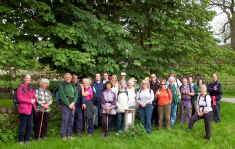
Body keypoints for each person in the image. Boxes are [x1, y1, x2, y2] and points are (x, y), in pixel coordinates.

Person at [17, 74, 37, 144]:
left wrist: (35, 99)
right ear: (24, 79)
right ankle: (21, 140)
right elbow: (20, 98)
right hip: (24, 109)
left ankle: (27, 139)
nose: (28, 80)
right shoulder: (20, 87)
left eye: (29, 79)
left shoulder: (31, 87)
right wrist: (30, 101)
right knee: (23, 126)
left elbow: (34, 96)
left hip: (31, 109)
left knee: (30, 126)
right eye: (27, 78)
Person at [59, 73, 78, 140]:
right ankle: (63, 135)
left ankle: (69, 135)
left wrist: (73, 103)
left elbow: (76, 95)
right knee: (65, 120)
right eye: (66, 77)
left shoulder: (73, 85)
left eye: (69, 77)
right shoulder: (62, 85)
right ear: (64, 78)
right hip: (65, 104)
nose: (68, 78)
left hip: (72, 104)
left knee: (71, 120)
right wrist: (68, 104)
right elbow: (62, 96)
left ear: (71, 78)